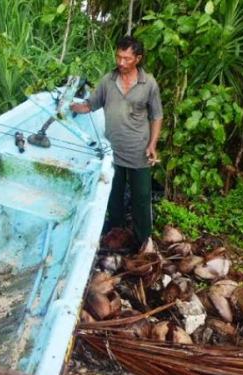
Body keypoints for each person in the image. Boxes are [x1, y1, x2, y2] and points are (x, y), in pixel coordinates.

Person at [70, 36, 163, 247]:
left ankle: (142, 240)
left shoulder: (148, 84)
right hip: (112, 150)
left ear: (137, 59)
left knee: (141, 196)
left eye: (127, 58)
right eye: (118, 57)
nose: (121, 62)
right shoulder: (107, 81)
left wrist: (152, 144)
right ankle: (115, 233)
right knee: (113, 194)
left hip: (139, 150)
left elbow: (156, 116)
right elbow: (90, 105)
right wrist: (70, 106)